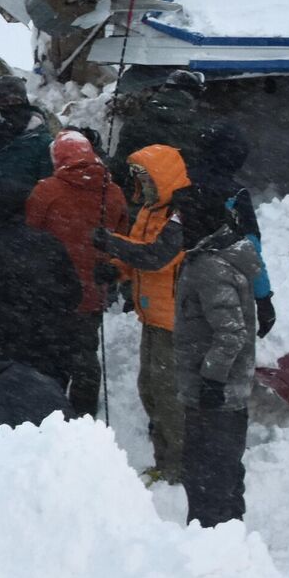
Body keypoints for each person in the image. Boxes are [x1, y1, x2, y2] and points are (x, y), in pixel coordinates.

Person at [95, 144, 192, 483]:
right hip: (151, 317)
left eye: (147, 179)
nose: (143, 187)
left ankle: (178, 466)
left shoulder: (181, 214)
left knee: (167, 396)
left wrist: (112, 243)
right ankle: (164, 459)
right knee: (149, 389)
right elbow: (136, 254)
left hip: (173, 321)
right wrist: (115, 269)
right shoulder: (150, 212)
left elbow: (155, 257)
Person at [171, 188, 262, 526]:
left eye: (181, 218)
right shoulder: (218, 255)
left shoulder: (210, 266)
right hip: (225, 395)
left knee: (205, 476)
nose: (175, 225)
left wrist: (211, 378)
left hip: (215, 397)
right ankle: (228, 540)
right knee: (223, 473)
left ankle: (210, 547)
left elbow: (231, 331)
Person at [25, 131, 128, 417]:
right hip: (94, 288)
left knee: (51, 355)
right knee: (85, 354)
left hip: (53, 289)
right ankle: (84, 414)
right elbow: (123, 241)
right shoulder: (114, 192)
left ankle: (51, 412)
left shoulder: (46, 191)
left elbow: (30, 233)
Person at [0, 178, 80, 413]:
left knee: (8, 420)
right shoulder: (49, 242)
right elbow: (73, 293)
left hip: (5, 354)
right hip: (52, 348)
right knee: (50, 414)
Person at [185, 121, 276, 337]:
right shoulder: (235, 194)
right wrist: (263, 299)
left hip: (176, 293)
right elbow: (250, 250)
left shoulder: (178, 182)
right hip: (218, 293)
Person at [111, 69, 204, 183]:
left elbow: (120, 164)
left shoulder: (141, 119)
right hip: (178, 195)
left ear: (164, 89)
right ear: (193, 95)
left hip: (138, 191)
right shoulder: (196, 126)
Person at [0, 75, 53, 187]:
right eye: (4, 102)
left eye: (16, 101)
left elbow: (48, 188)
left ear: (25, 102)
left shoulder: (43, 143)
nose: (11, 106)